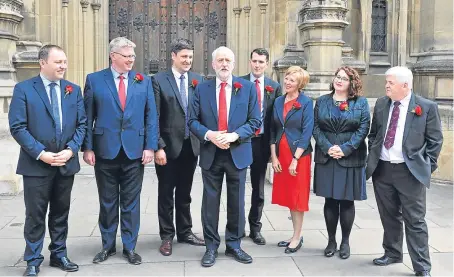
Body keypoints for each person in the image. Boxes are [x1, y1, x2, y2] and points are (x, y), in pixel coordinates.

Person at [8, 45, 87, 276]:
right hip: (36, 165)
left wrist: (72, 150)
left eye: (65, 61)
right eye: (58, 62)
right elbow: (18, 126)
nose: (63, 66)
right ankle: (32, 259)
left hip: (65, 163)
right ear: (43, 63)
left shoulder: (73, 89)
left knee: (61, 212)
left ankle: (59, 254)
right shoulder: (24, 89)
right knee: (35, 214)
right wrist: (41, 153)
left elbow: (82, 124)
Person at [82, 37, 158, 265]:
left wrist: (150, 146)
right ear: (113, 56)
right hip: (105, 151)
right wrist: (87, 148)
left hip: (135, 152)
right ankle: (107, 246)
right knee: (107, 202)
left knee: (131, 203)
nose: (131, 60)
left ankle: (129, 247)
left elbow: (151, 116)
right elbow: (88, 117)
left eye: (133, 56)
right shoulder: (95, 80)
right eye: (127, 56)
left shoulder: (143, 81)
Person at [366, 66, 443, 277]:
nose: (386, 86)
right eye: (386, 82)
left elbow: (435, 141)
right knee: (389, 216)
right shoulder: (382, 104)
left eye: (390, 82)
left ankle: (422, 266)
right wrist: (374, 155)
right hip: (383, 169)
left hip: (410, 173)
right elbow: (375, 134)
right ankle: (392, 253)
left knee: (415, 220)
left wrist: (425, 166)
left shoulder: (426, 107)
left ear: (405, 85)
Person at [188, 46, 261, 267]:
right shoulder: (202, 89)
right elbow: (192, 121)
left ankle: (234, 245)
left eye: (228, 60)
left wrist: (234, 135)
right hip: (211, 153)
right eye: (220, 60)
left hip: (237, 153)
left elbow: (255, 121)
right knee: (210, 202)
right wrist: (209, 135)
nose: (224, 64)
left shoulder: (247, 88)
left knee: (236, 202)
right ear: (213, 64)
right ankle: (211, 246)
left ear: (234, 63)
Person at [152, 38, 205, 256]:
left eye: (190, 57)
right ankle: (166, 236)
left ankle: (185, 231)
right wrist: (158, 147)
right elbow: (153, 116)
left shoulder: (198, 80)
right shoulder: (158, 80)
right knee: (166, 193)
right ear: (173, 56)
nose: (188, 61)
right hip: (168, 148)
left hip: (191, 146)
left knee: (185, 193)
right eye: (184, 56)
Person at [312, 66, 370, 259]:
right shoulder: (322, 101)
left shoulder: (360, 103)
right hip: (327, 156)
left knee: (346, 201)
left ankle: (345, 242)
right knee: (330, 200)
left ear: (352, 83)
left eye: (344, 79)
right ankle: (331, 240)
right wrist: (328, 147)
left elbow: (363, 129)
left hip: (351, 157)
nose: (339, 80)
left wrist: (345, 149)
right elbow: (316, 127)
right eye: (337, 77)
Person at [240, 48, 282, 245]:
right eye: (254, 61)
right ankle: (237, 227)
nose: (257, 65)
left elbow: (276, 120)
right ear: (250, 61)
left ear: (267, 64)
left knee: (258, 188)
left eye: (261, 62)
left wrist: (275, 150)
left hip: (261, 142)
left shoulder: (274, 87)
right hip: (241, 142)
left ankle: (255, 228)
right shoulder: (238, 82)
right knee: (237, 186)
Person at [270, 66, 313, 254]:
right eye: (287, 78)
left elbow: (307, 132)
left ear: (300, 84)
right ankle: (293, 234)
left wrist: (295, 159)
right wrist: (274, 157)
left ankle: (297, 237)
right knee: (289, 197)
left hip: (299, 156)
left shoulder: (306, 102)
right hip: (281, 155)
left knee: (297, 198)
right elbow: (273, 130)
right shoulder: (278, 101)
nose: (287, 82)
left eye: (292, 80)